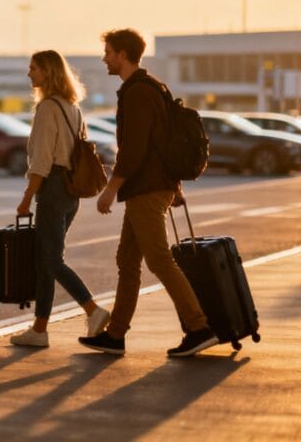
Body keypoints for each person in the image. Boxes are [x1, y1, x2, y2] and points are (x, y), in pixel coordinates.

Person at [79, 28, 218, 357]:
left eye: (109, 53)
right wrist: (176, 187)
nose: (105, 58)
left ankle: (199, 327)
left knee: (159, 259)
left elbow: (136, 148)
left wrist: (110, 189)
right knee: (127, 261)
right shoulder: (151, 87)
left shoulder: (138, 92)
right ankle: (115, 336)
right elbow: (161, 143)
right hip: (153, 187)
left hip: (146, 190)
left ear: (123, 55)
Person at [11, 50, 110, 348]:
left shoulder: (47, 109)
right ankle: (39, 330)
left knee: (52, 260)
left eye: (34, 69)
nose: (30, 74)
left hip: (53, 188)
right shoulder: (72, 107)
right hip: (71, 192)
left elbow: (41, 160)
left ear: (48, 72)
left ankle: (93, 310)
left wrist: (27, 197)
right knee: (46, 262)